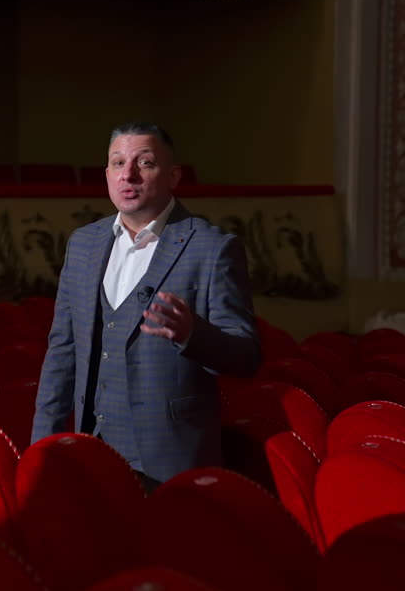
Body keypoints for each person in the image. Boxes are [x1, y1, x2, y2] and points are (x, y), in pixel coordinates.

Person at [31, 122, 262, 492]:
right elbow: (62, 353)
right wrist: (43, 449)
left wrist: (193, 335)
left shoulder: (211, 248)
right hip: (91, 453)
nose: (129, 174)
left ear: (173, 176)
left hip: (169, 464)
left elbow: (247, 355)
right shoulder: (84, 245)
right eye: (118, 162)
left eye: (146, 163)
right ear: (106, 174)